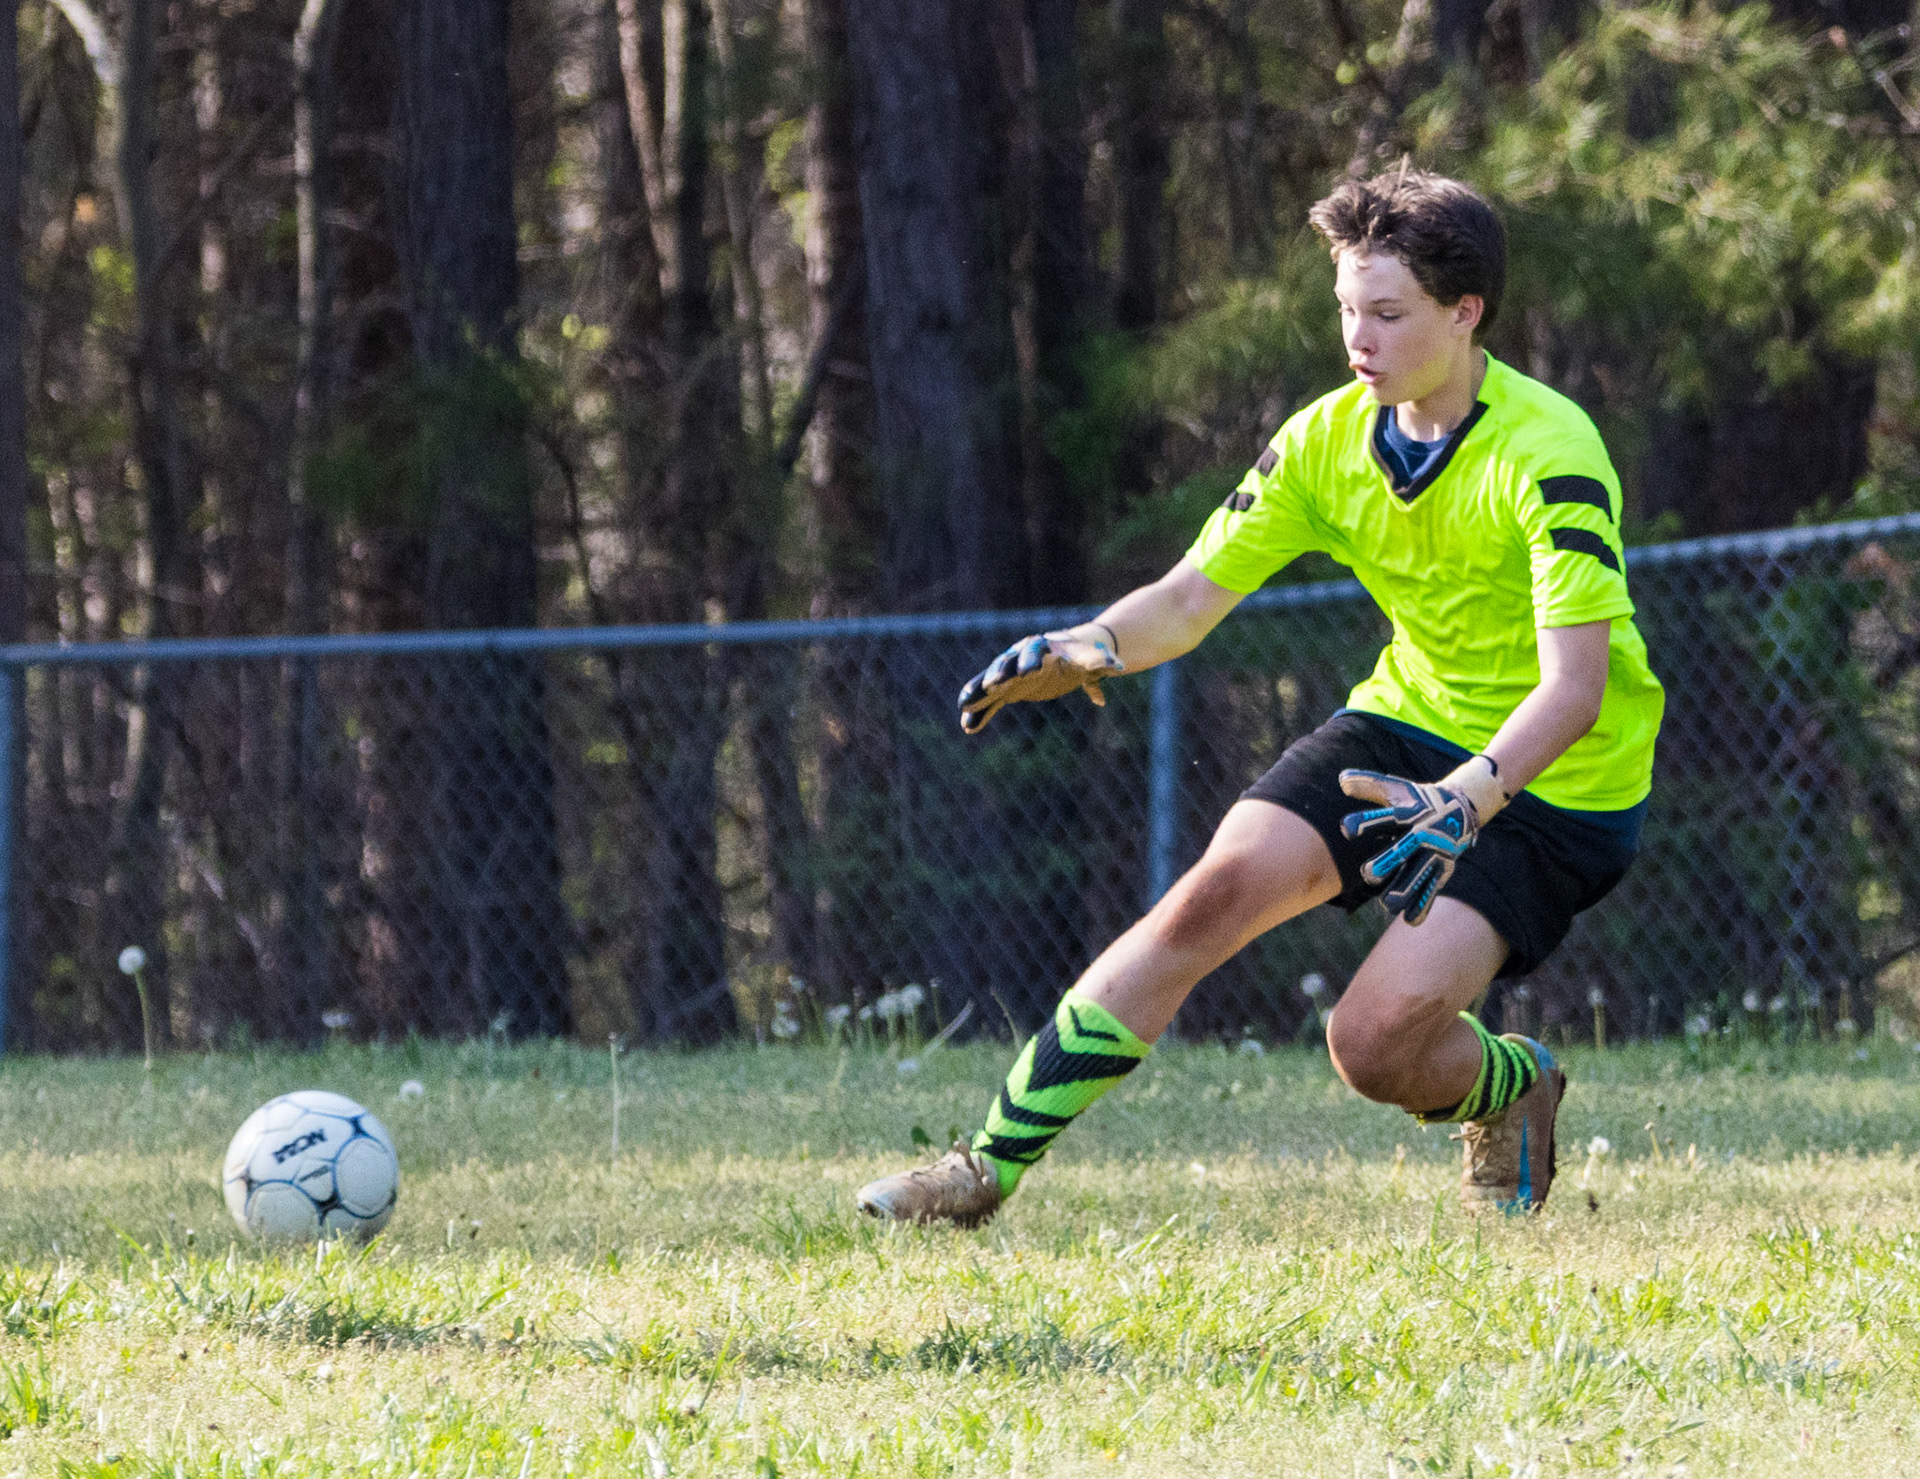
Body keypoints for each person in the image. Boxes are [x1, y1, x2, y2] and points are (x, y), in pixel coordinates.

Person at [855, 167, 1664, 1227]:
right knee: (1207, 898)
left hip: (1560, 782)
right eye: (1346, 309)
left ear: (1466, 312)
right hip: (1407, 722)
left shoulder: (1550, 451)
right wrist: (1094, 644)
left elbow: (1576, 687)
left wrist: (1468, 797)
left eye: (1388, 314)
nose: (1358, 339)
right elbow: (1189, 600)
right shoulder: (1324, 440)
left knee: (1369, 1049)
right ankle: (981, 1172)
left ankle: (1513, 1085)